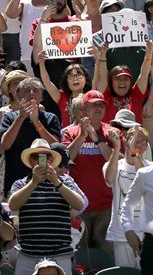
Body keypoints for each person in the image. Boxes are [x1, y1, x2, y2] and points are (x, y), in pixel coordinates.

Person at [8, 139, 85, 275]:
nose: (40, 160)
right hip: (28, 254)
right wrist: (34, 182)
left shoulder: (65, 181)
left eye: (45, 156)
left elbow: (79, 204)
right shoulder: (21, 184)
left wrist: (56, 181)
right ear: (30, 161)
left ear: (50, 160)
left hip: (60, 254)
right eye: (35, 157)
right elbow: (13, 205)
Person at [62, 90, 117, 254]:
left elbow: (118, 162)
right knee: (81, 255)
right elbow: (65, 159)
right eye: (94, 105)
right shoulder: (70, 133)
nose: (98, 108)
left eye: (101, 105)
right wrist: (81, 137)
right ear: (83, 110)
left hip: (106, 207)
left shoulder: (112, 132)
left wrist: (98, 140)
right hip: (80, 206)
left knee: (106, 255)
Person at [104, 126, 151, 268]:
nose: (139, 142)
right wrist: (117, 147)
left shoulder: (150, 168)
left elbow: (145, 181)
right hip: (121, 233)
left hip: (145, 234)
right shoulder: (113, 165)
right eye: (135, 138)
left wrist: (133, 150)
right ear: (126, 141)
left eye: (143, 140)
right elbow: (109, 179)